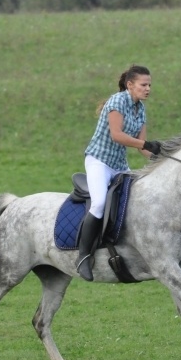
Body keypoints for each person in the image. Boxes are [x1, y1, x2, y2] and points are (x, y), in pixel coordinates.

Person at [76, 64, 161, 281]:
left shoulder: (140, 109)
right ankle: (83, 256)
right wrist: (145, 143)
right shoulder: (117, 101)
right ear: (130, 85)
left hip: (119, 165)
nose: (148, 89)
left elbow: (142, 148)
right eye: (143, 85)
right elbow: (117, 135)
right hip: (99, 161)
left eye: (149, 85)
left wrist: (161, 157)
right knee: (98, 204)